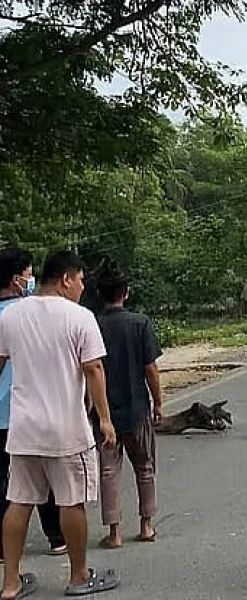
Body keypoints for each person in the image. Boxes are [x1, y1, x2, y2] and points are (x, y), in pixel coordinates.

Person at [0, 250, 120, 598]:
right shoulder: (79, 317)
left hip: (23, 428)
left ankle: (10, 583)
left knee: (19, 501)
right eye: (81, 280)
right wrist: (106, 419)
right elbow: (94, 369)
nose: (83, 287)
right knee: (71, 501)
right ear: (66, 278)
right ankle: (79, 575)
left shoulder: (11, 317)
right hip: (66, 428)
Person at [0, 249, 68, 560]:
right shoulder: (30, 312)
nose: (32, 280)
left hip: (3, 417)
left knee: (6, 484)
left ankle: (4, 548)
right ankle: (57, 538)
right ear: (17, 280)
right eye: (29, 274)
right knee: (44, 479)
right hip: (29, 411)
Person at [91, 259, 162, 549]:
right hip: (137, 408)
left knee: (109, 471)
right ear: (126, 292)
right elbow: (150, 368)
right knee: (145, 466)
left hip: (104, 410)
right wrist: (158, 401)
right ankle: (146, 525)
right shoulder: (139, 323)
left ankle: (115, 532)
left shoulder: (93, 324)